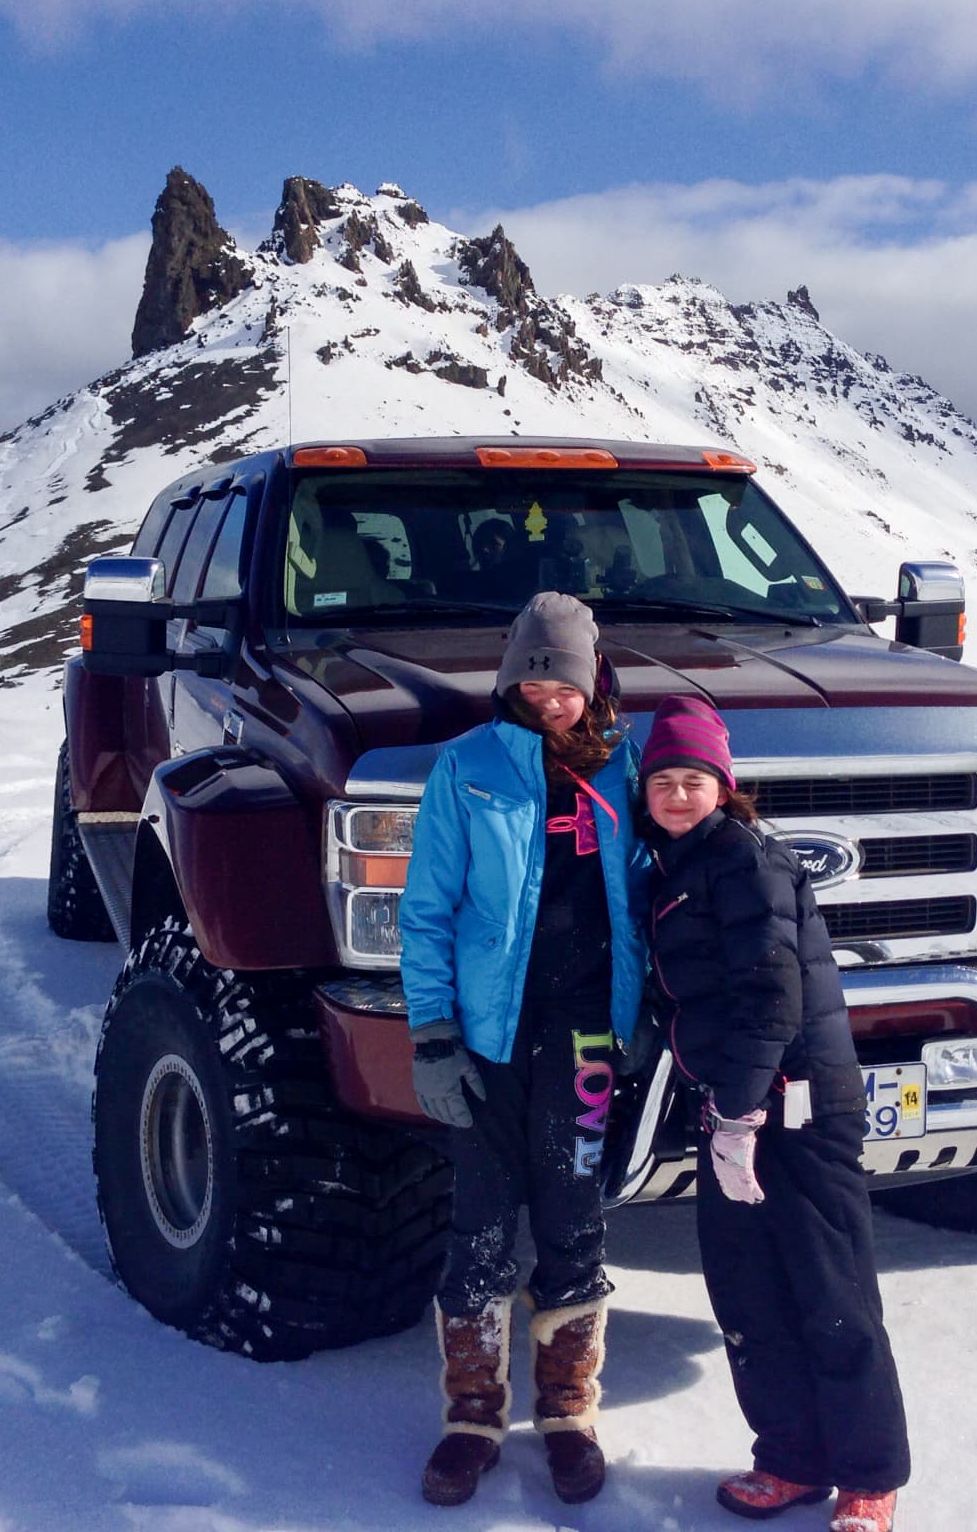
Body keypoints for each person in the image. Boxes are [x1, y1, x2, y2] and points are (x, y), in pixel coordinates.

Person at [399, 592, 649, 1508]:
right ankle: (471, 1417)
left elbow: (657, 891)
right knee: (482, 1220)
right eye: (534, 675)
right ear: (511, 676)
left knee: (575, 1211)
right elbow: (424, 914)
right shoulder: (466, 768)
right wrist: (431, 1035)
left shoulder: (628, 768)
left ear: (594, 681)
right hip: (488, 1037)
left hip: (586, 1034)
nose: (550, 695)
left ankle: (568, 1415)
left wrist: (646, 1011)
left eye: (566, 678)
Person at [639, 694, 911, 1532]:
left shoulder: (745, 860)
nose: (679, 794)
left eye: (695, 779)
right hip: (734, 1103)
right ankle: (791, 1458)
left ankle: (869, 1474)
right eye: (664, 780)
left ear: (725, 786)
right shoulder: (673, 866)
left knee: (830, 1289)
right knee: (749, 1291)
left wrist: (735, 1115)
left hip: (797, 1106)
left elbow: (771, 997)